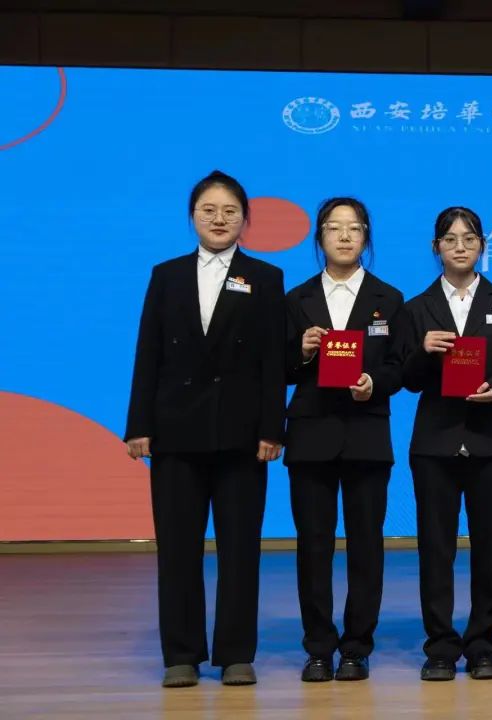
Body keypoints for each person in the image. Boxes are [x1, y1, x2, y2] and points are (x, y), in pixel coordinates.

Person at [125, 170, 285, 688]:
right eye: (208, 210)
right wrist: (139, 425)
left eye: (230, 211)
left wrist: (272, 429)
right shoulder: (166, 275)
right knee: (177, 548)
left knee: (240, 548)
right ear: (192, 216)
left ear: (245, 219)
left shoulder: (266, 277)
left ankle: (236, 653)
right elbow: (148, 353)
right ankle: (181, 654)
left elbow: (272, 361)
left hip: (242, 436)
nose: (219, 219)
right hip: (175, 432)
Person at [283, 197, 407, 682]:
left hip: (366, 434)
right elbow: (279, 368)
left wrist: (374, 382)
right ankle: (318, 647)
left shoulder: (388, 298)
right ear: (320, 237)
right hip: (311, 434)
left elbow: (399, 366)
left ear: (366, 237)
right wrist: (301, 351)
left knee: (366, 546)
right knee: (313, 546)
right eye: (334, 228)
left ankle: (356, 647)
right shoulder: (296, 298)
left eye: (354, 228)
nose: (344, 236)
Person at [402, 207, 492, 681]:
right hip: (434, 442)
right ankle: (439, 646)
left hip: (490, 440)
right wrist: (422, 352)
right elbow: (407, 379)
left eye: (469, 238)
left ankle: (482, 645)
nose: (460, 246)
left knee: (489, 547)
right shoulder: (416, 308)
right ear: (435, 247)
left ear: (482, 246)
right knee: (436, 548)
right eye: (450, 239)